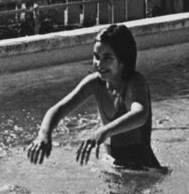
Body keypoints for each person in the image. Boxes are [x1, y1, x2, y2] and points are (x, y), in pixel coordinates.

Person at [27, 23, 164, 170]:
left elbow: (140, 114)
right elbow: (58, 109)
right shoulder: (95, 83)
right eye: (96, 56)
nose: (99, 64)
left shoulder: (135, 83)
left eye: (107, 58)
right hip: (114, 165)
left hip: (144, 169)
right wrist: (44, 134)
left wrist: (103, 131)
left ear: (123, 59)